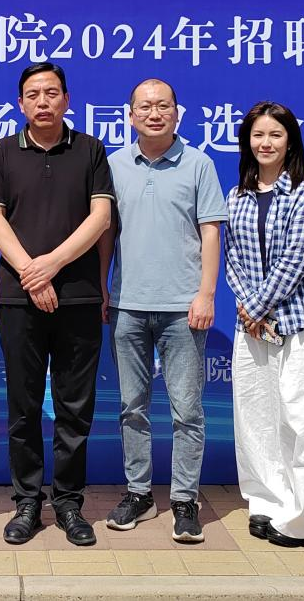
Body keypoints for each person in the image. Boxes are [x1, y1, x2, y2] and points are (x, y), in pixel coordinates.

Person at [0, 62, 114, 547]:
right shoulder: (2, 152)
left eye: (52, 93)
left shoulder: (90, 150)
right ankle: (26, 502)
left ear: (66, 99)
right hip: (19, 298)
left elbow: (101, 216)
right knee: (23, 406)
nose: (43, 101)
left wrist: (52, 264)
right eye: (34, 94)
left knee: (74, 407)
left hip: (78, 296)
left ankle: (69, 503)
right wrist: (30, 273)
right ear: (20, 103)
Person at [103, 78, 226, 543]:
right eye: (145, 107)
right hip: (127, 305)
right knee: (131, 407)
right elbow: (105, 233)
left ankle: (184, 500)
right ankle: (138, 493)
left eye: (163, 106)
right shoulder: (114, 165)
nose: (154, 114)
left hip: (182, 307)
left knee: (187, 410)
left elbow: (211, 231)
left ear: (177, 112)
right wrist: (103, 288)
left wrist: (206, 293)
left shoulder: (199, 164)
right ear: (130, 114)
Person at [223, 101, 304, 548]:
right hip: (251, 327)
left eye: (275, 135)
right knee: (255, 419)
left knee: (299, 421)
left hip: (295, 323)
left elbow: (296, 261)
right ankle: (264, 503)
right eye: (258, 135)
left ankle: (300, 517)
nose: (265, 143)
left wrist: (258, 307)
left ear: (290, 142)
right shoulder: (236, 196)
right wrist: (250, 310)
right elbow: (230, 258)